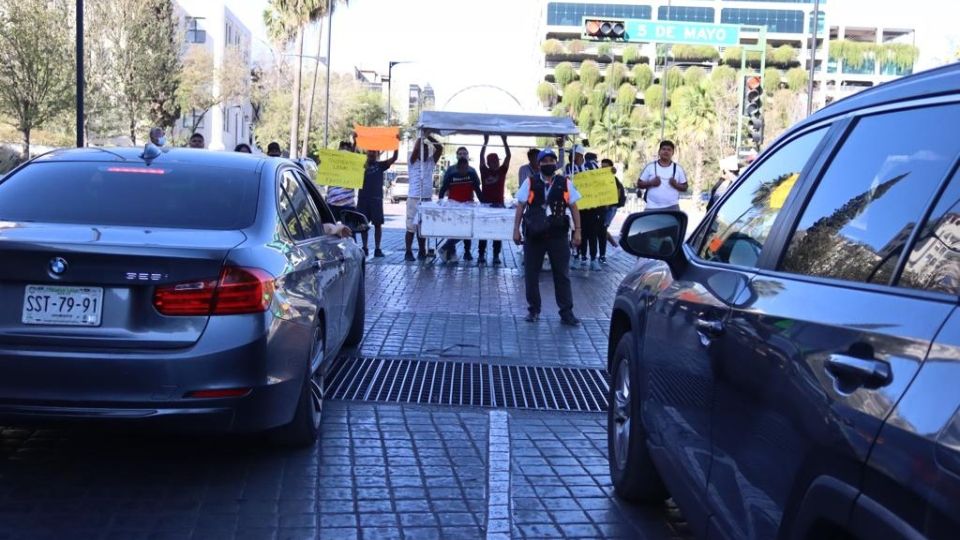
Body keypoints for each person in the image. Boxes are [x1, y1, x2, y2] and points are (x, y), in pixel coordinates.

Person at [513, 148, 582, 326]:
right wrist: (516, 230)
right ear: (539, 164)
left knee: (562, 274)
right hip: (534, 235)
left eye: (552, 161)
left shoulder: (564, 183)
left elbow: (574, 207)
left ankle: (566, 312)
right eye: (544, 161)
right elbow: (520, 206)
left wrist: (578, 231)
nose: (548, 164)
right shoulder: (530, 182)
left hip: (558, 235)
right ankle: (533, 310)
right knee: (531, 274)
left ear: (555, 164)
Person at [438, 146, 483, 262]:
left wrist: (484, 203)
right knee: (455, 230)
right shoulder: (450, 171)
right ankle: (450, 252)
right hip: (453, 206)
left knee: (468, 230)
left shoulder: (472, 172)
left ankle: (466, 252)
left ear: (468, 157)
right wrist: (440, 201)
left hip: (468, 205)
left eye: (465, 153)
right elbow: (443, 188)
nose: (462, 155)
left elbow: (477, 190)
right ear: (457, 157)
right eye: (460, 153)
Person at [405, 134, 443, 262]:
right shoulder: (412, 161)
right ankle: (408, 251)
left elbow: (440, 148)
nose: (426, 152)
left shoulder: (431, 162)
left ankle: (422, 251)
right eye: (424, 150)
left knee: (423, 228)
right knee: (411, 227)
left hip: (426, 199)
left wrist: (428, 136)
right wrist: (421, 136)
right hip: (414, 198)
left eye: (427, 150)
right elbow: (416, 150)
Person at [356, 147, 399, 257]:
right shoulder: (360, 165)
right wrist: (355, 141)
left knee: (378, 225)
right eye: (369, 151)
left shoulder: (381, 165)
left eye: (373, 152)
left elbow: (394, 158)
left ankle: (377, 248)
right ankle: (364, 247)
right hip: (363, 199)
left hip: (376, 200)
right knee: (363, 225)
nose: (371, 153)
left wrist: (395, 145)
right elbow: (352, 156)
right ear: (366, 152)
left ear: (377, 154)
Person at [478, 135, 511, 266]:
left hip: (499, 205)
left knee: (498, 232)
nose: (496, 163)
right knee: (483, 232)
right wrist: (485, 143)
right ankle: (481, 254)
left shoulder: (502, 171)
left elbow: (508, 156)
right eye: (493, 161)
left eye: (497, 161)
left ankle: (496, 255)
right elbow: (481, 157)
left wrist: (504, 141)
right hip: (486, 205)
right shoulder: (484, 170)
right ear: (488, 162)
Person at [637, 140, 688, 212]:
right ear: (659, 152)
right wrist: (651, 183)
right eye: (663, 149)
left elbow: (685, 187)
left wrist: (676, 185)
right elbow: (639, 184)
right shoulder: (650, 167)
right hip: (652, 207)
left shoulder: (678, 169)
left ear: (672, 153)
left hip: (672, 207)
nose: (666, 152)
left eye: (669, 150)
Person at [577, 151, 604, 270]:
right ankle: (587, 258)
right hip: (585, 207)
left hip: (590, 208)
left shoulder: (592, 170)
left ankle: (587, 258)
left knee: (588, 234)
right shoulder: (580, 169)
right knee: (587, 234)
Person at [599, 158, 625, 264]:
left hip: (610, 207)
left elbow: (616, 195)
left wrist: (608, 204)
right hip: (604, 207)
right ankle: (614, 247)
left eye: (606, 167)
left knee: (603, 228)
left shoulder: (614, 180)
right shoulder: (601, 179)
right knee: (601, 228)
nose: (603, 169)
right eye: (602, 167)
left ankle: (614, 247)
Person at [327, 139, 359, 222]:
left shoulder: (354, 165)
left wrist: (355, 143)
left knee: (350, 232)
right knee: (331, 231)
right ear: (338, 150)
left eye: (347, 150)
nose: (344, 152)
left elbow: (354, 156)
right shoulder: (331, 163)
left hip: (348, 204)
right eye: (342, 149)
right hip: (332, 203)